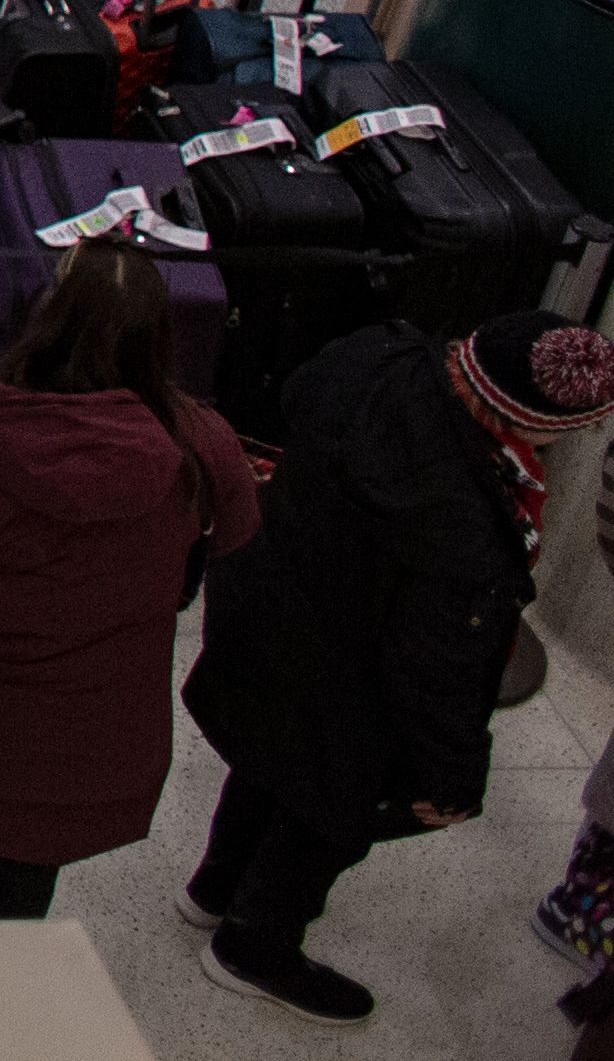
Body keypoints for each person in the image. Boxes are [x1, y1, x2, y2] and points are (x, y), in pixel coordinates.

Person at [181, 307, 614, 1026]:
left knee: (265, 764)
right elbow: (438, 669)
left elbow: (294, 398)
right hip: (357, 683)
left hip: (276, 615)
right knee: (330, 817)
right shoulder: (463, 524)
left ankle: (213, 890)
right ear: (529, 420)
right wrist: (453, 778)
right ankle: (252, 948)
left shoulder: (375, 356)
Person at [0, 239, 258, 919]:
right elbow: (242, 536)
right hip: (91, 751)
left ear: (45, 317)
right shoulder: (203, 442)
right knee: (11, 913)